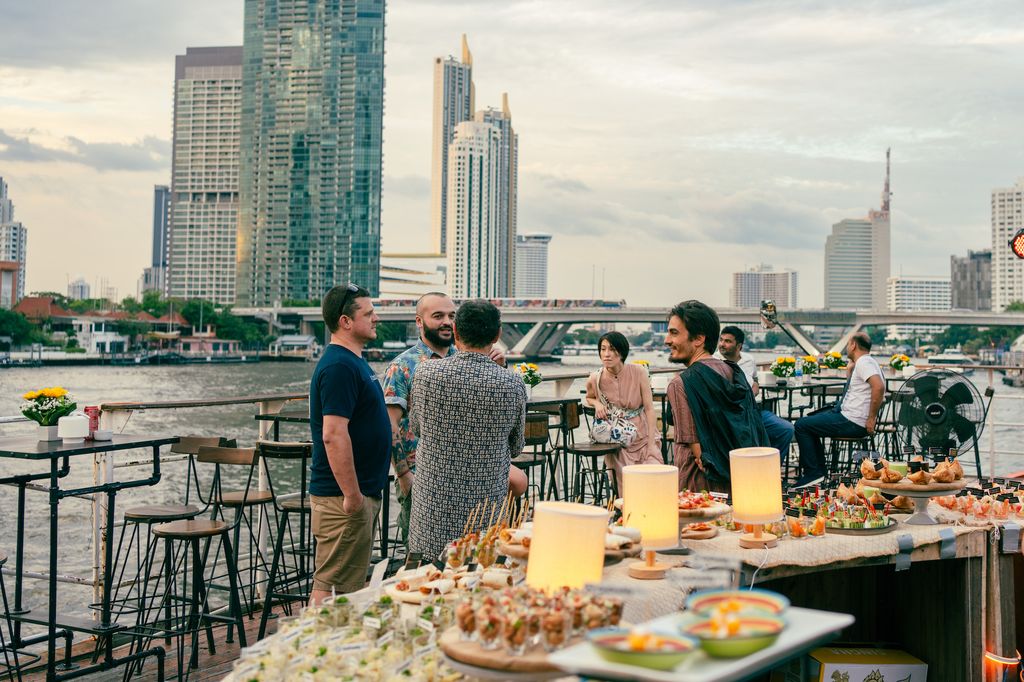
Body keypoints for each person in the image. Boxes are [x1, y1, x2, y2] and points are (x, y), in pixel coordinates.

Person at [382, 292, 512, 542]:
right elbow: (389, 424)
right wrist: (405, 476)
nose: (446, 322)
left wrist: (499, 370)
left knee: (473, 552)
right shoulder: (404, 366)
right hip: (423, 475)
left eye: (451, 316)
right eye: (437, 315)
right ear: (419, 322)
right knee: (425, 553)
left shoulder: (468, 357)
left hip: (469, 474)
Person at [407, 300, 528, 560]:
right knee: (479, 580)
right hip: (485, 510)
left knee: (428, 581)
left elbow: (417, 427)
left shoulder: (426, 373)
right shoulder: (512, 382)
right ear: (497, 335)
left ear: (456, 332)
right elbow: (516, 447)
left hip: (432, 507)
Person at [308, 284, 391, 605]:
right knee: (331, 590)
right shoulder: (340, 366)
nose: (376, 318)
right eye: (368, 313)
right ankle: (313, 651)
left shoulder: (352, 362)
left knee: (347, 587)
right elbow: (333, 433)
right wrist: (352, 495)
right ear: (345, 321)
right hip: (342, 499)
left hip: (359, 494)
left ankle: (331, 649)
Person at [664, 300, 769, 493]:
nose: (667, 340)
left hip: (698, 483)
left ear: (698, 339)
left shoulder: (680, 384)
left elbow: (693, 445)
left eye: (674, 333)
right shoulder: (733, 372)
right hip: (740, 477)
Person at [793, 331, 884, 487]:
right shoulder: (868, 362)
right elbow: (858, 391)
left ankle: (814, 473)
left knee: (802, 425)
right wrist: (849, 372)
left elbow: (879, 387)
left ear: (853, 345)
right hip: (851, 418)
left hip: (852, 421)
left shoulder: (864, 363)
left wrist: (871, 418)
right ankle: (817, 473)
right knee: (810, 421)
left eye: (848, 344)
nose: (847, 348)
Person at [583, 331, 661, 487]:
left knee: (654, 475)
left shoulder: (639, 372)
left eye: (612, 349)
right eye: (603, 349)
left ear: (622, 351)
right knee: (626, 484)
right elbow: (589, 397)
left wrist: (652, 443)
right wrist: (598, 404)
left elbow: (649, 409)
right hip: (617, 439)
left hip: (643, 435)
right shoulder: (595, 377)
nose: (607, 354)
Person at [715, 325, 795, 462]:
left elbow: (755, 380)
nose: (722, 344)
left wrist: (755, 388)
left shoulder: (749, 360)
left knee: (786, 429)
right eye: (721, 340)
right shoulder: (714, 361)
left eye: (728, 341)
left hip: (754, 411)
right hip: (733, 415)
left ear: (739, 346)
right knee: (750, 436)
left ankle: (771, 470)